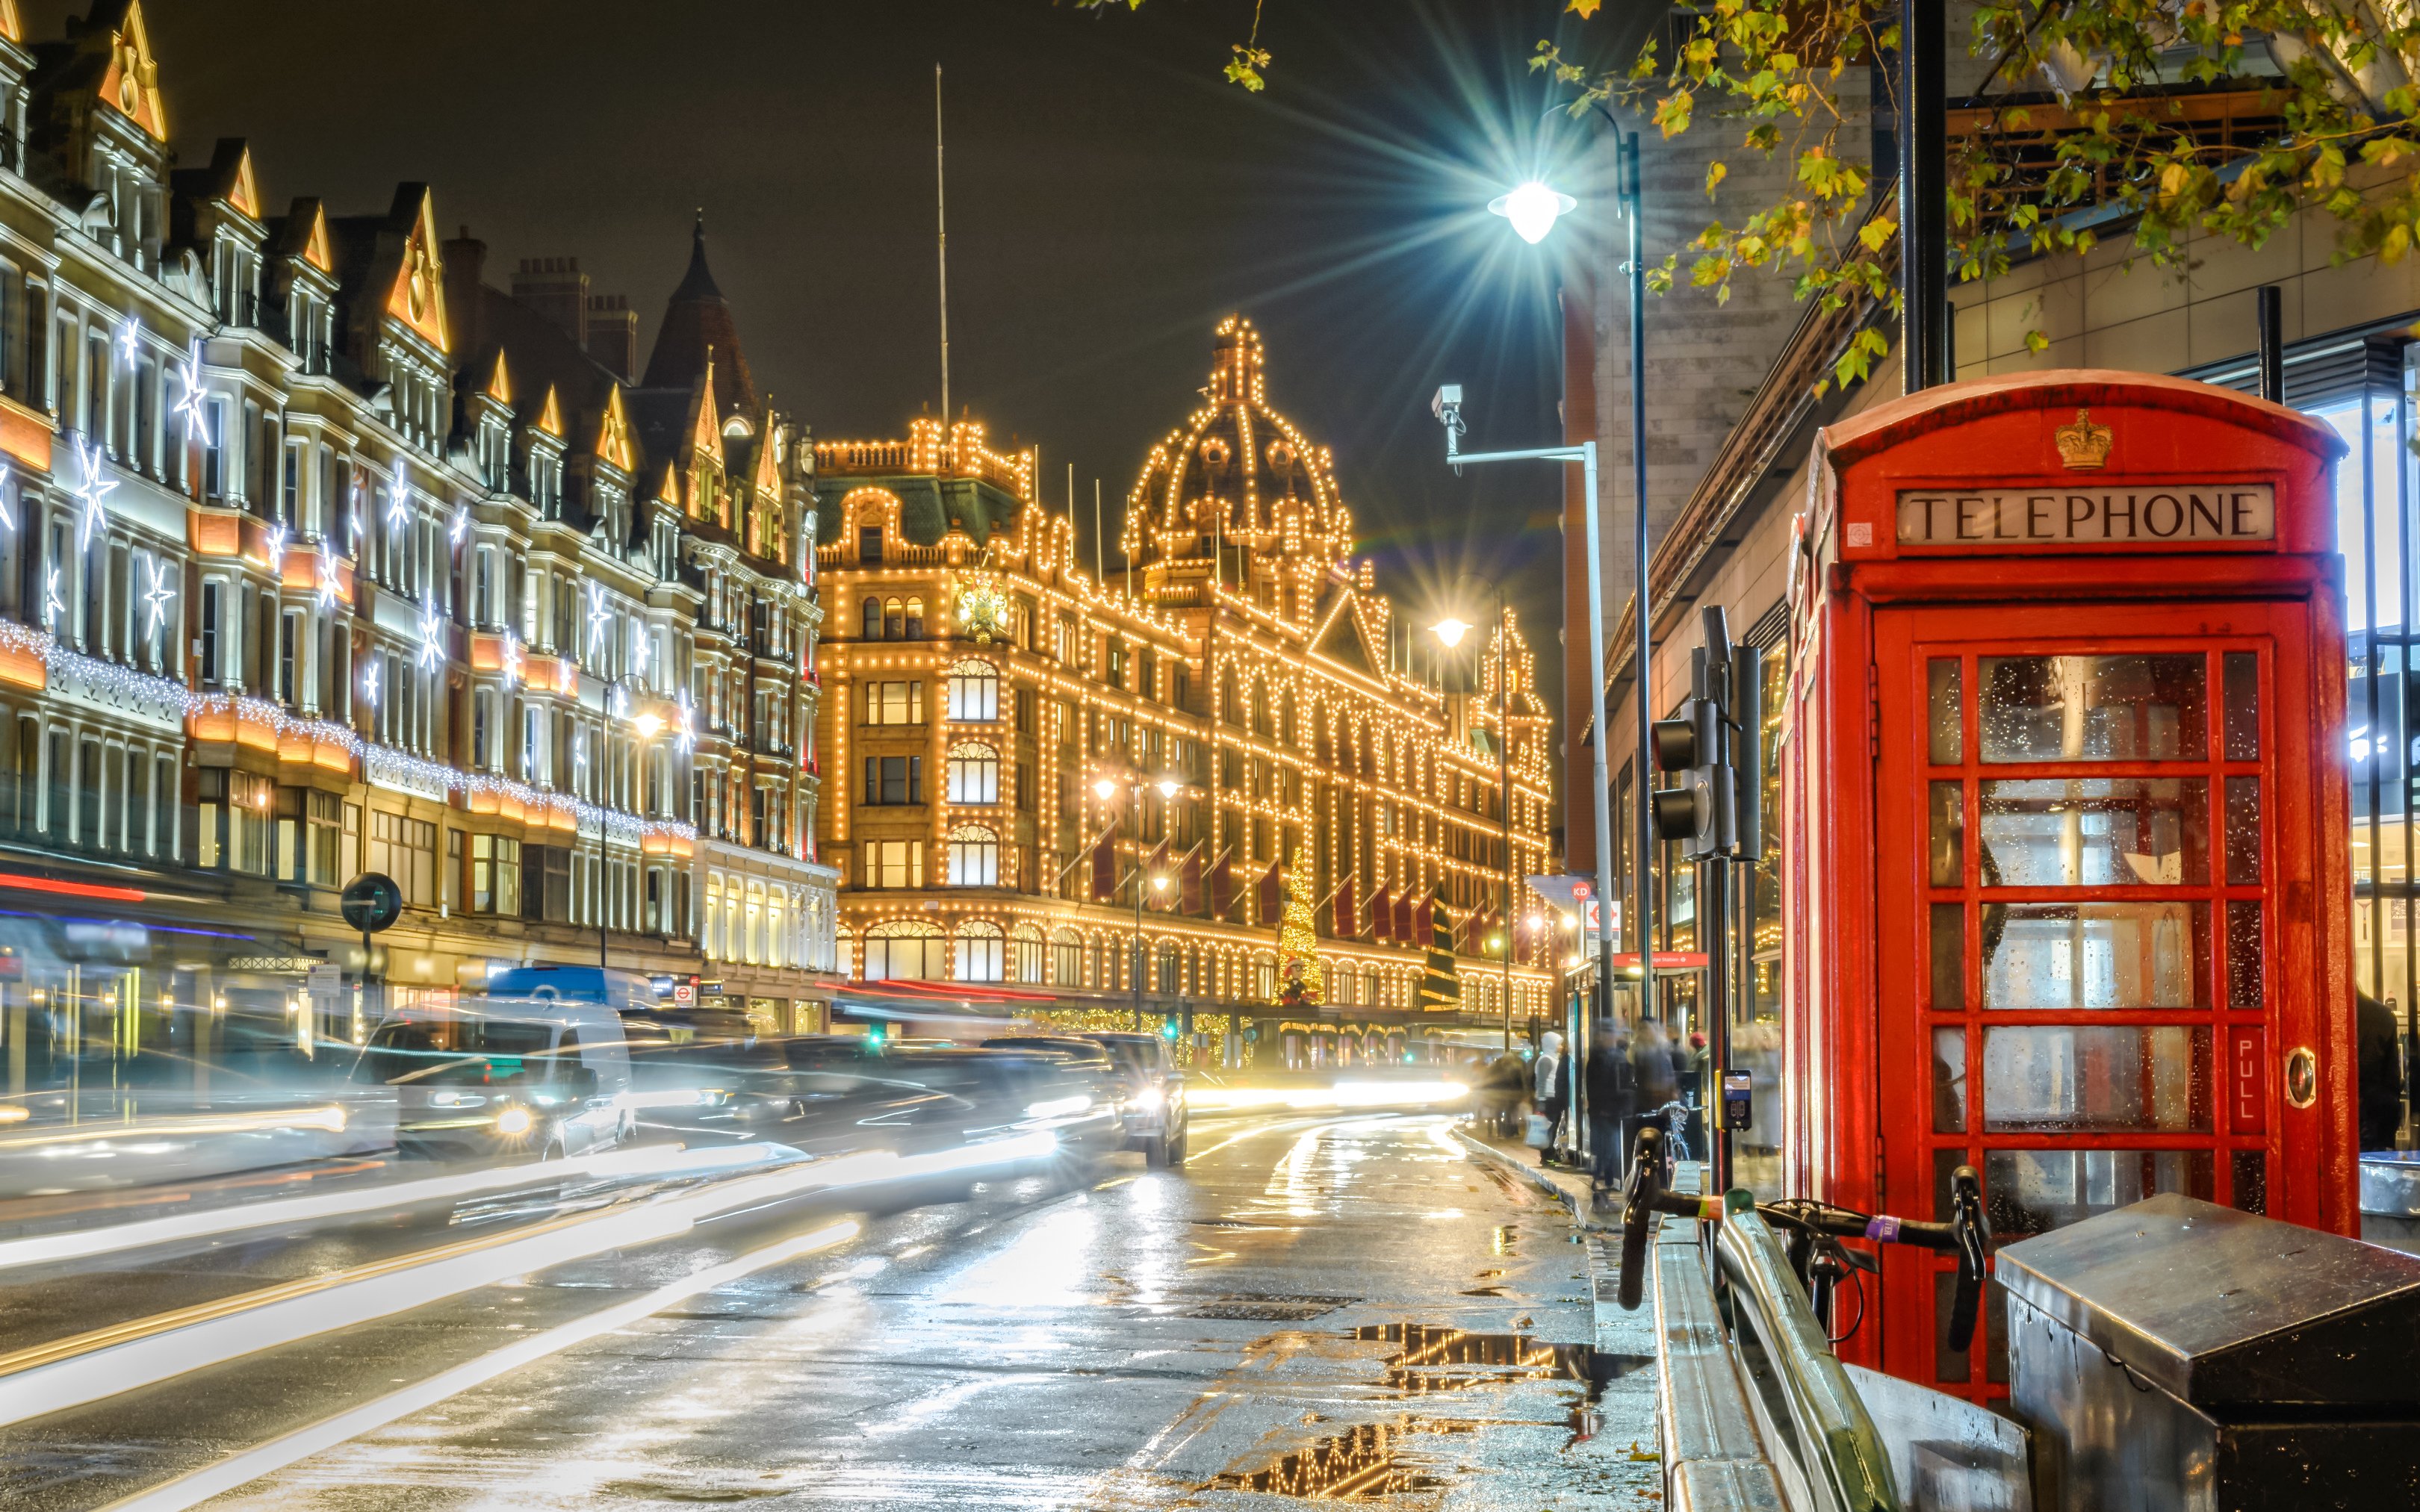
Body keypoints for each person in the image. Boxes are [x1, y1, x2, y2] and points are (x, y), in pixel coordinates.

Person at [1586, 1027, 1636, 1198]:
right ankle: (1604, 1182)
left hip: (1604, 1111)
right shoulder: (1607, 1058)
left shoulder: (1598, 1057)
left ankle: (1603, 1181)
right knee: (1610, 1149)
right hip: (1608, 1112)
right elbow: (1613, 1086)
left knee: (1606, 1149)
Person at [2359, 991, 2405, 1152]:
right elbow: (2391, 1083)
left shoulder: (2319, 1011)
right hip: (2371, 1126)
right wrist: (2388, 1139)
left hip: (2324, 1124)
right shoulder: (2383, 1016)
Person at [1533, 1030, 1566, 1163]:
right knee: (1548, 1127)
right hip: (1548, 1098)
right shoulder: (1546, 1060)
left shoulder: (1553, 1059)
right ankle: (1546, 1155)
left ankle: (1549, 1153)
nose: (1561, 1047)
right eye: (1559, 1044)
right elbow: (1541, 1082)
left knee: (1553, 1126)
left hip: (1553, 1097)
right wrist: (1541, 1101)